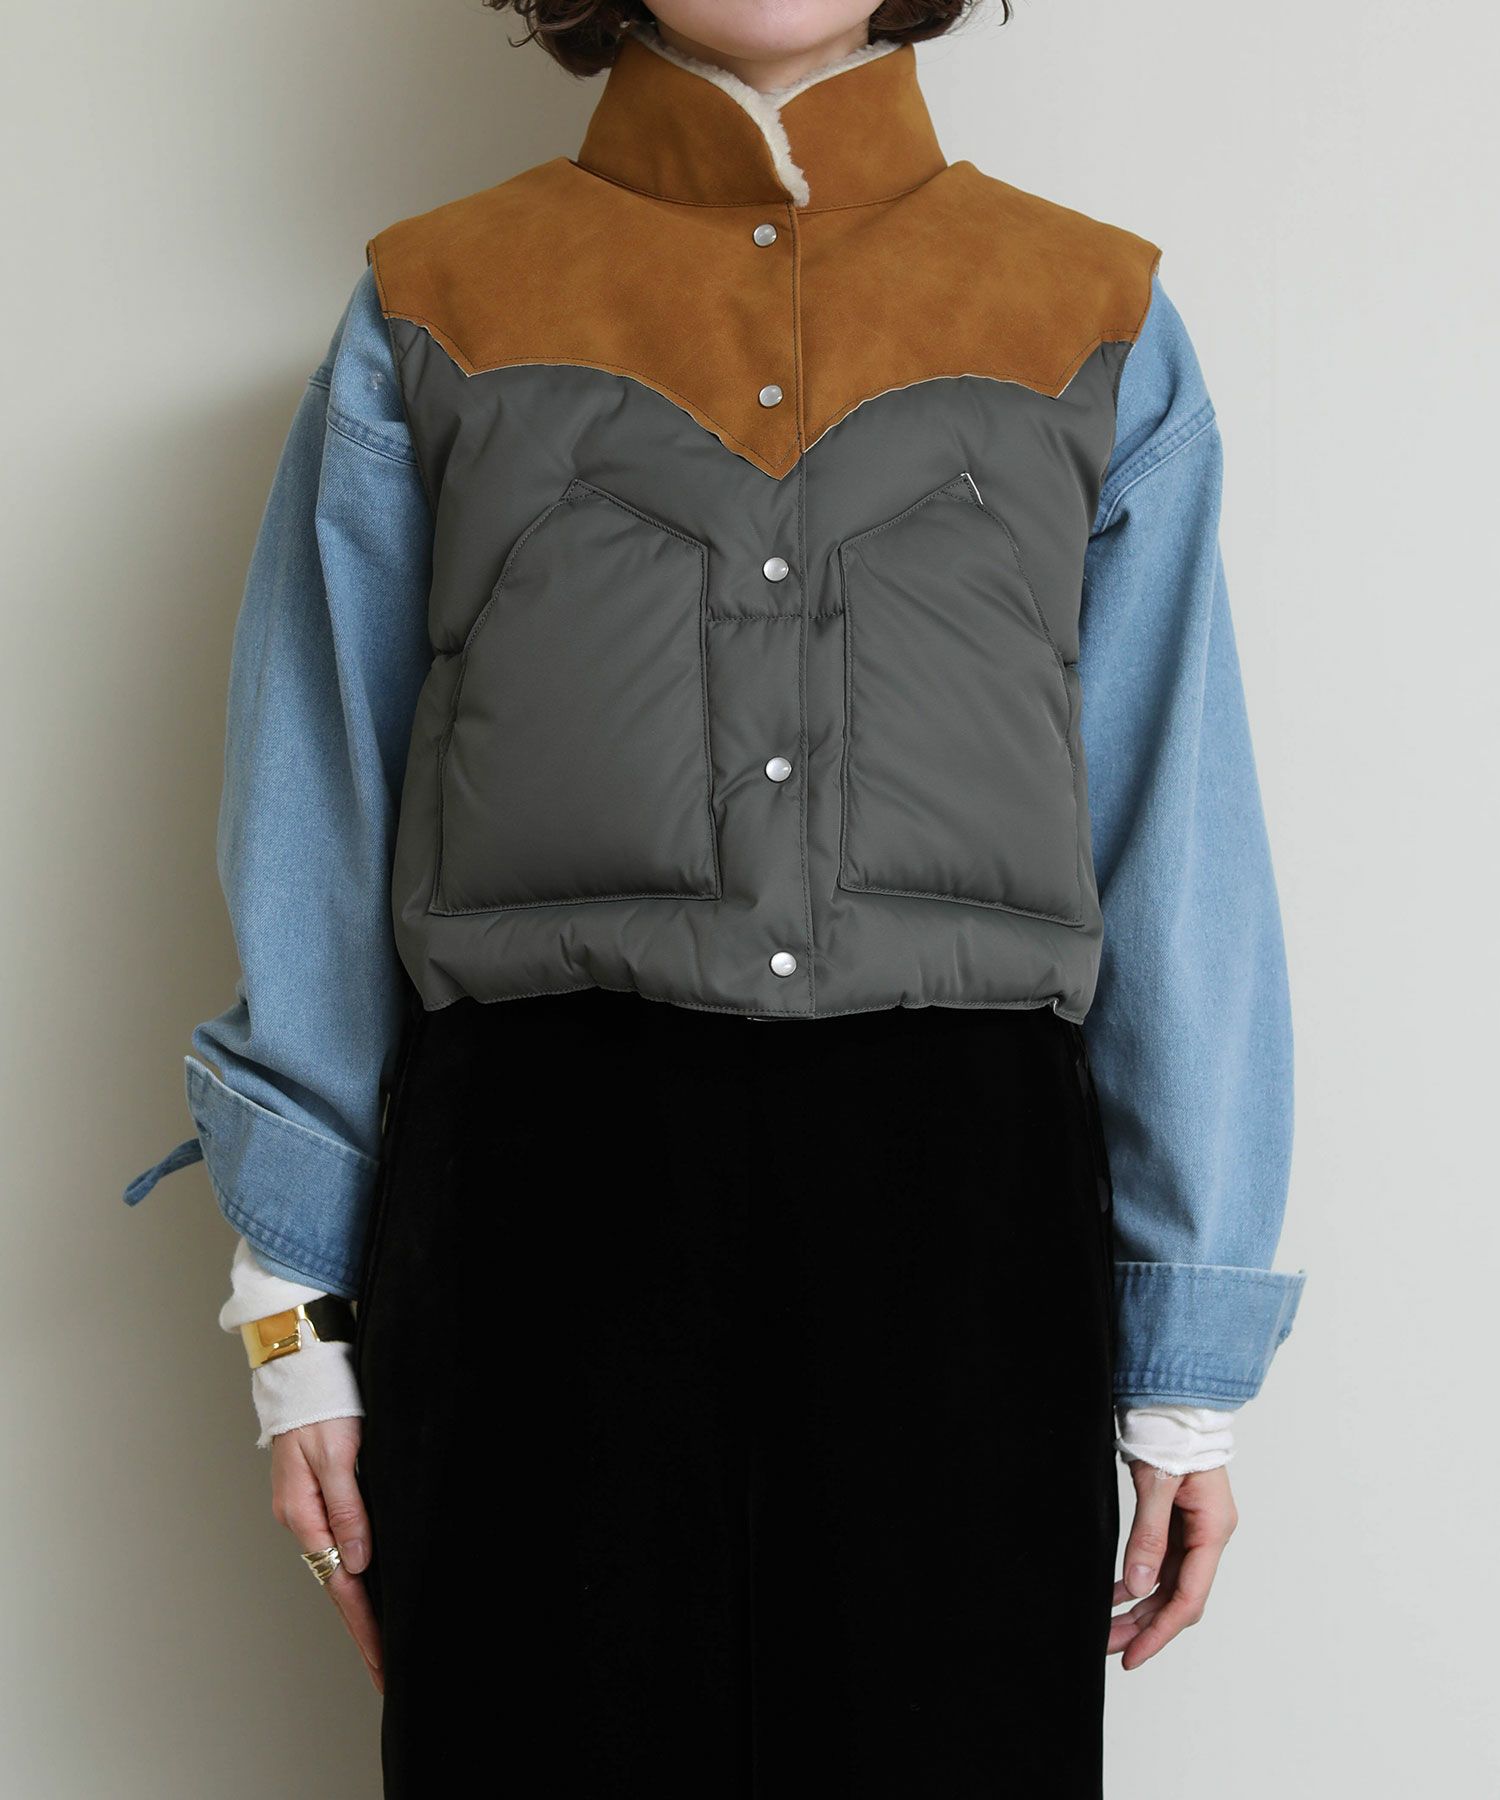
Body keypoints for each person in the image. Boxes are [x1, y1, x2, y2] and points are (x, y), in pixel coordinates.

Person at [123, 2, 1308, 1792]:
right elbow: (315, 794)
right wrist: (293, 1322)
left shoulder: (1092, 313)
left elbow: (1177, 831)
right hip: (531, 1212)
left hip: (961, 1230)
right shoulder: (435, 303)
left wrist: (1186, 1363)